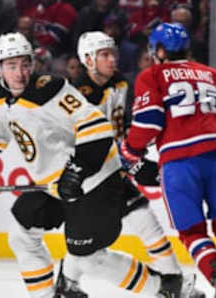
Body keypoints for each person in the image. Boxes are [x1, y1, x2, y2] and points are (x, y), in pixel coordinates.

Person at [0, 32, 197, 298]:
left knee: (86, 257)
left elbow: (96, 124)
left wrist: (77, 170)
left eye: (25, 64)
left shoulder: (51, 89)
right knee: (21, 236)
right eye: (11, 66)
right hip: (55, 187)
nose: (20, 73)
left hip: (96, 182)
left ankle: (165, 288)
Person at [120, 23, 216, 298]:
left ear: (159, 50)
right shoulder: (212, 74)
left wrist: (131, 150)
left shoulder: (152, 74)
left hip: (180, 163)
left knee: (191, 231)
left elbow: (149, 121)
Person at [74, 31, 204, 298]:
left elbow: (119, 130)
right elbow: (87, 144)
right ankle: (174, 284)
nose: (113, 60)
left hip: (111, 171)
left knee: (138, 220)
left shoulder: (120, 83)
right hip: (90, 178)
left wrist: (130, 157)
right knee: (87, 243)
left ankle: (174, 283)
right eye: (105, 55)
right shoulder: (78, 95)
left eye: (114, 54)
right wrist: (129, 164)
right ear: (88, 60)